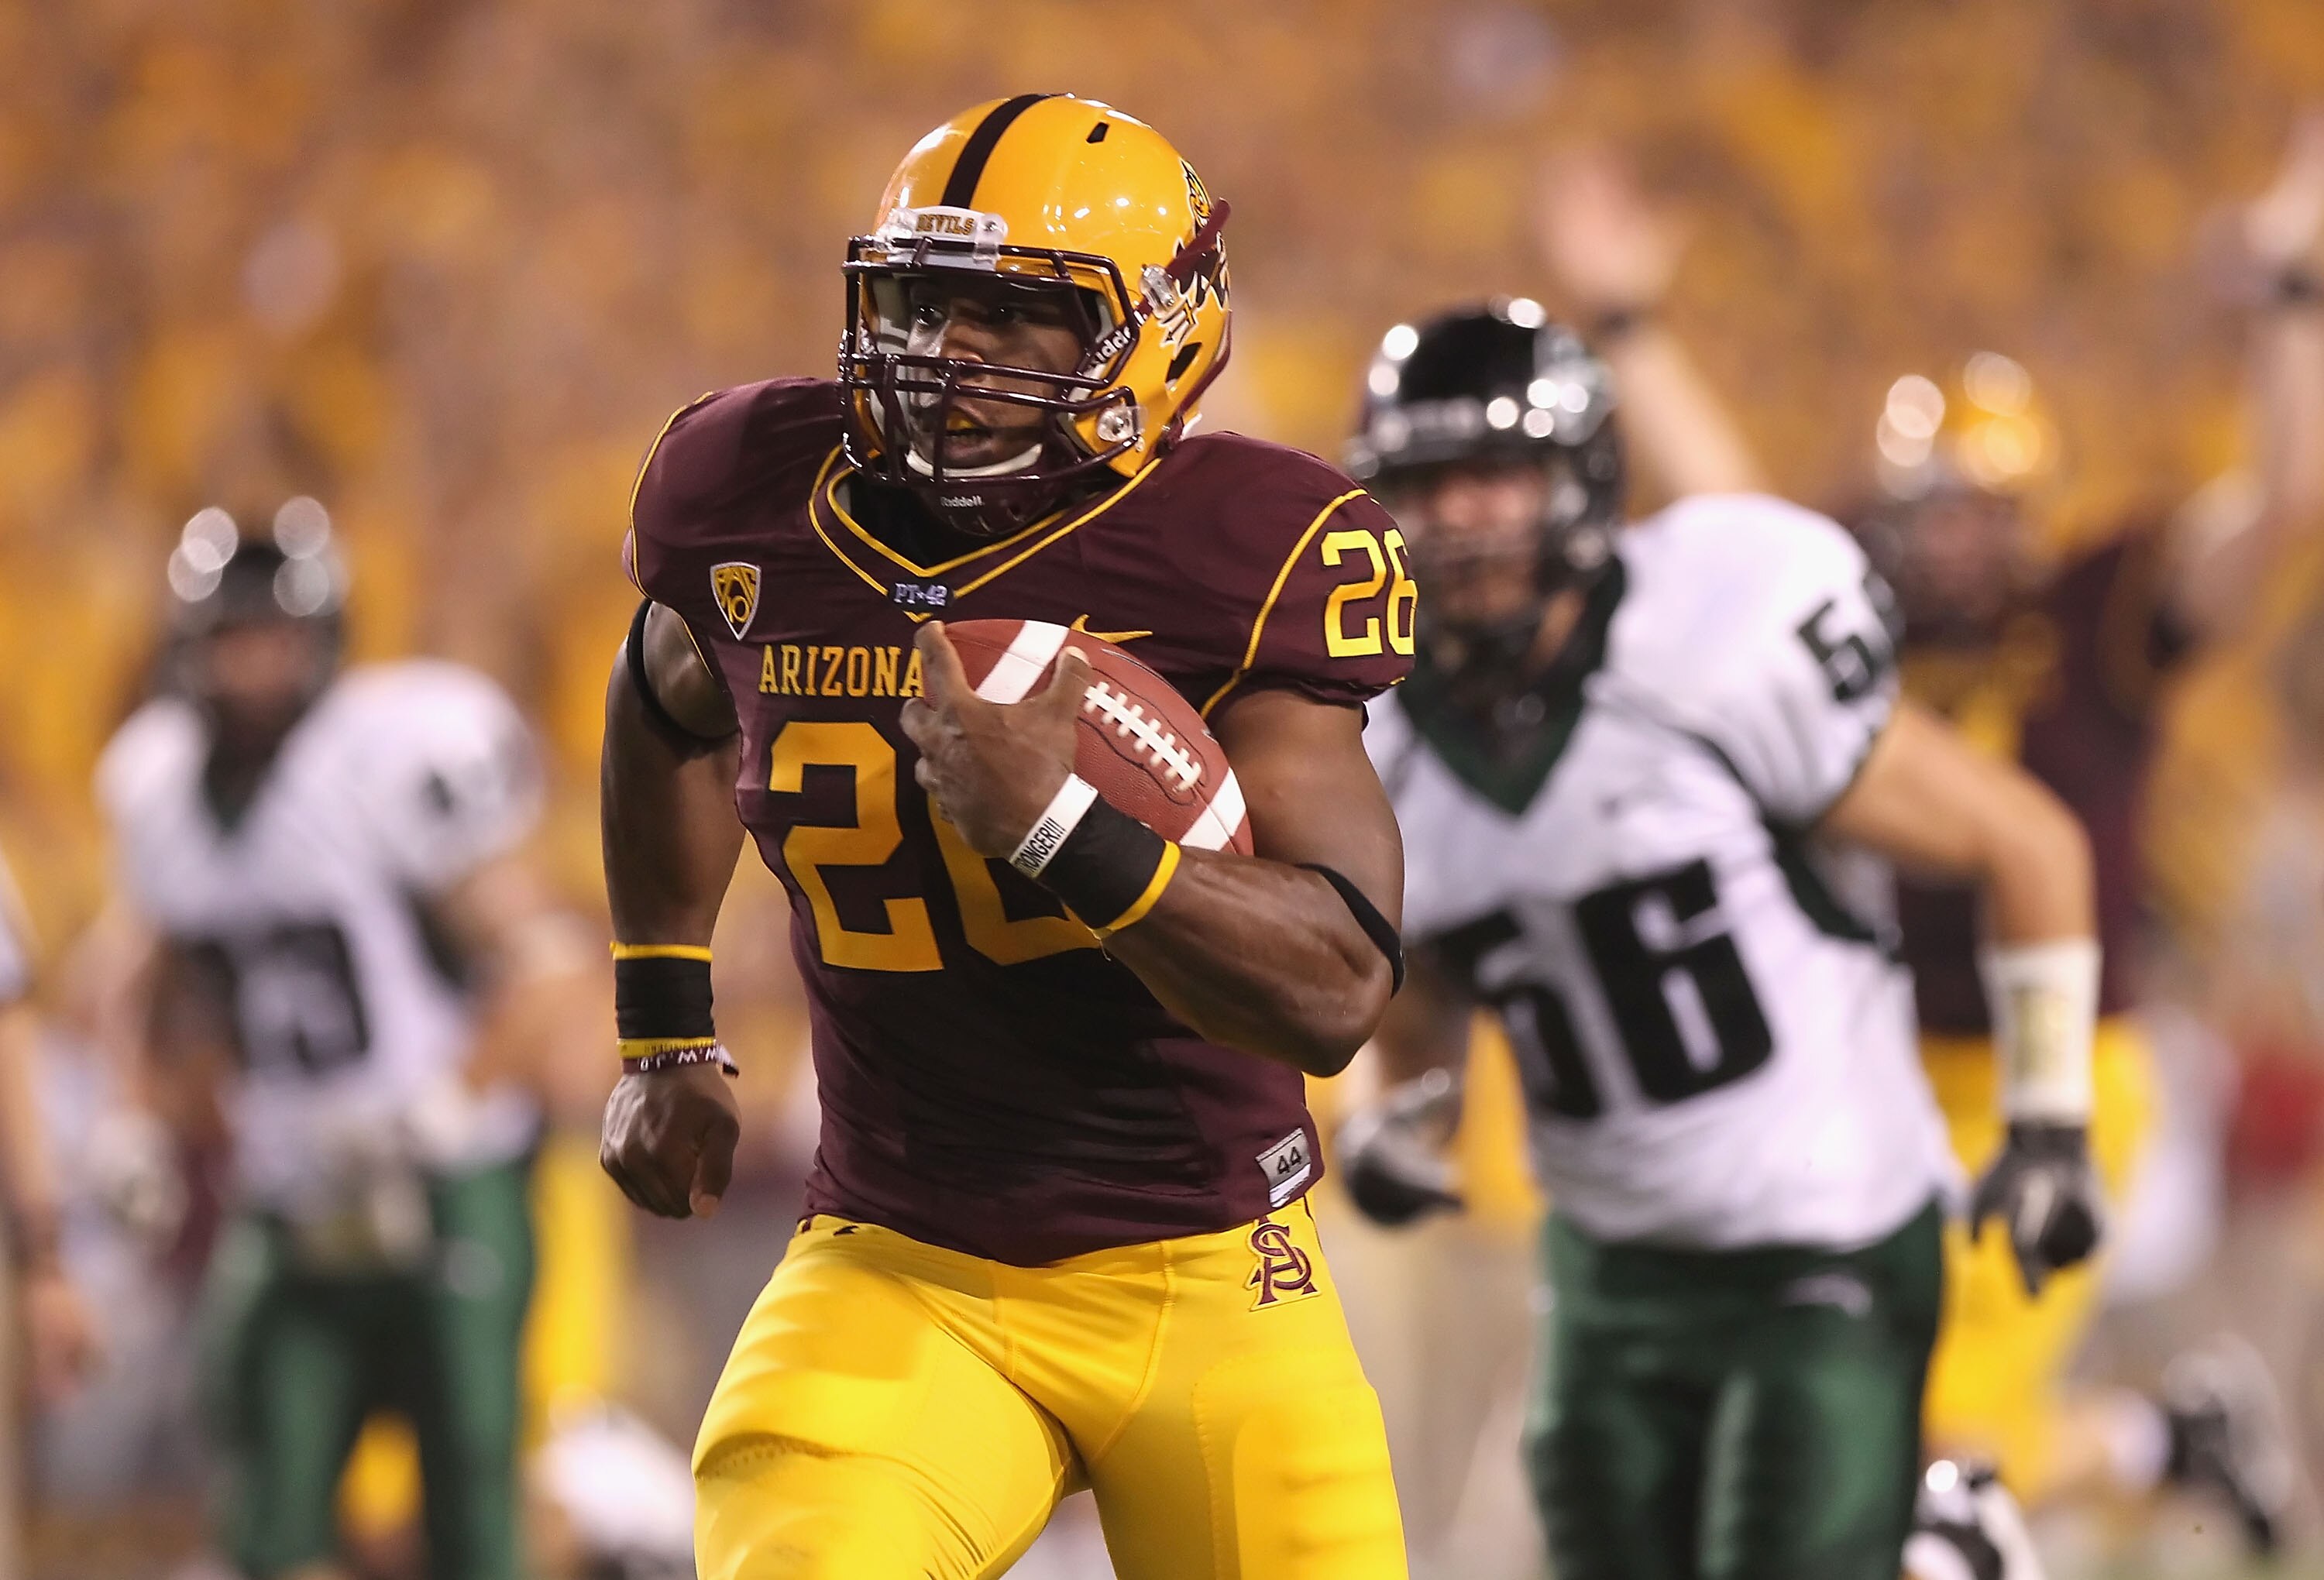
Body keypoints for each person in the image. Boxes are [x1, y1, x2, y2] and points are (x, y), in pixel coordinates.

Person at [596, 93, 1415, 1579]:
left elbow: (1339, 984)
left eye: (1013, 320)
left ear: (1156, 335)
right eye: (917, 306)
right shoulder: (754, 503)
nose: (944, 362)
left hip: (1209, 1271)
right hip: (903, 1257)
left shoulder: (1242, 550)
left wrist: (1060, 829)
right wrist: (663, 1024)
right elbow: (663, 699)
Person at [1534, 122, 2324, 1551]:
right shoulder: (1854, 616)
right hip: (1877, 1067)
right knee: (1876, 1410)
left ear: (2029, 514)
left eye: (1982, 511)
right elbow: (1727, 511)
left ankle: (2109, 1465)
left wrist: (2288, 290)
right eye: (1933, 510)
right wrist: (1630, 326)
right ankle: (2162, 1440)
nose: (1956, 540)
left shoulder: (2092, 615)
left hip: (2061, 1063)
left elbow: (2288, 497)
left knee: (1928, 1435)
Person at [1334, 301, 2108, 1580]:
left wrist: (2049, 1122)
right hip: (1605, 1271)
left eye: (1495, 474)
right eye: (1425, 483)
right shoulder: (1376, 730)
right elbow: (1432, 977)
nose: (1459, 516)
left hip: (1826, 1241)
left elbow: (2029, 845)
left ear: (1576, 478)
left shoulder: (1708, 636)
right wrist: (1393, 1113)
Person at [96, 500, 593, 1580]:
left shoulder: (387, 756)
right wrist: (134, 1120)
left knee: (472, 1492)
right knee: (263, 1495)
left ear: (324, 642)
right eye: (234, 642)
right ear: (191, 651)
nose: (257, 669)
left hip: (445, 1182)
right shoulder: (159, 788)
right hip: (291, 1193)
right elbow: (142, 988)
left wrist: (450, 1097)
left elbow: (548, 958)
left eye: (277, 640)